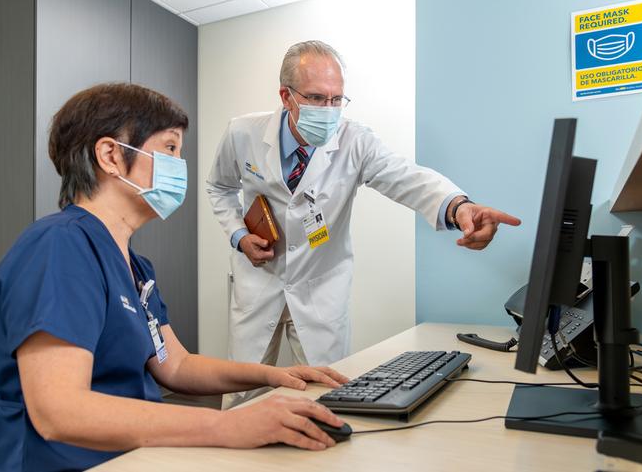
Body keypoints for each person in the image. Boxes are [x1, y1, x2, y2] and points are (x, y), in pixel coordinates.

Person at [0, 83, 349, 472]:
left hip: (132, 456)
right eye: (169, 148)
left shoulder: (135, 266)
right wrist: (226, 425)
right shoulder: (59, 246)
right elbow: (59, 411)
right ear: (111, 155)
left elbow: (176, 365)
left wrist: (276, 375)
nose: (178, 164)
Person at [207, 41, 521, 407]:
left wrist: (458, 206)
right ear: (286, 96)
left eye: (337, 99)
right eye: (316, 98)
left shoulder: (355, 141)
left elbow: (405, 176)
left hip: (319, 290)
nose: (329, 110)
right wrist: (238, 234)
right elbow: (219, 186)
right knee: (244, 392)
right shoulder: (242, 133)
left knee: (326, 395)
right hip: (258, 283)